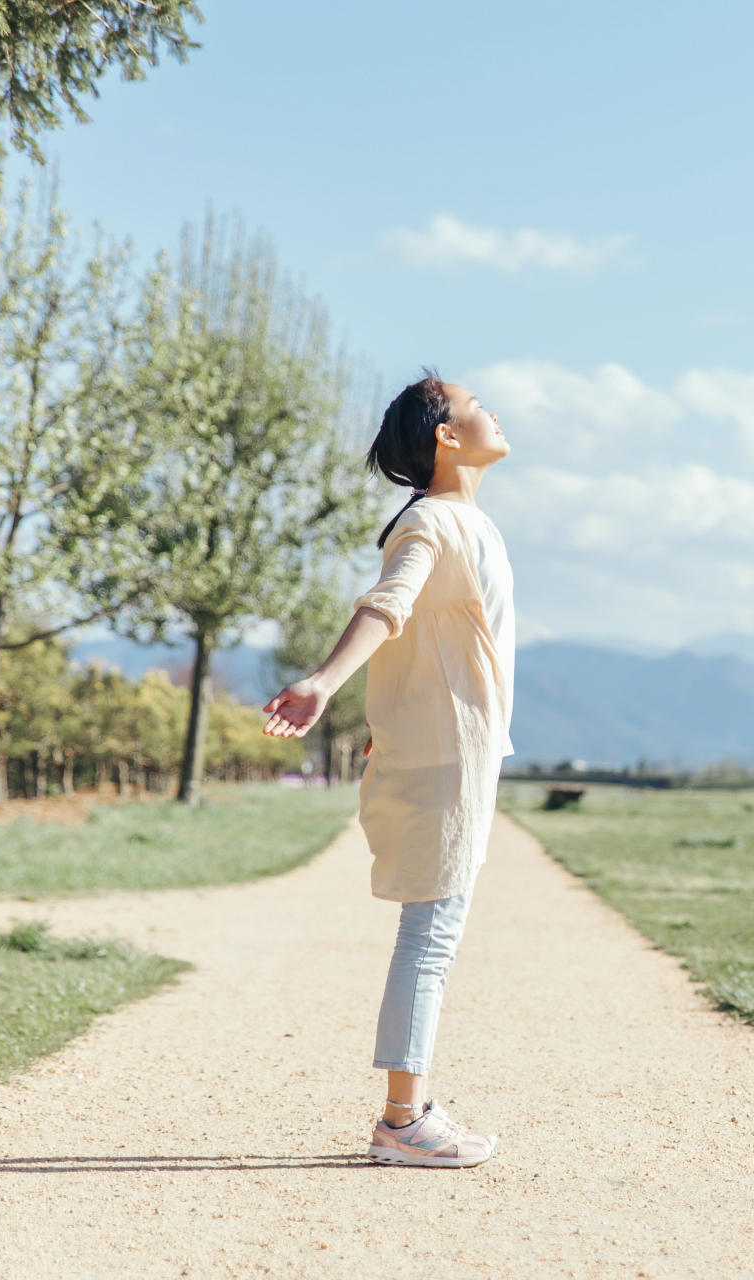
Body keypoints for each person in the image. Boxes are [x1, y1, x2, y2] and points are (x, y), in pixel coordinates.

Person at [262, 372, 514, 1169]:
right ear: (446, 434)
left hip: (453, 750)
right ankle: (403, 1121)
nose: (492, 411)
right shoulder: (432, 524)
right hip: (447, 756)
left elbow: (423, 641)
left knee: (433, 932)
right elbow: (387, 606)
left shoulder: (462, 523)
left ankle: (410, 1112)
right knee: (431, 935)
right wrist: (322, 682)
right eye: (477, 405)